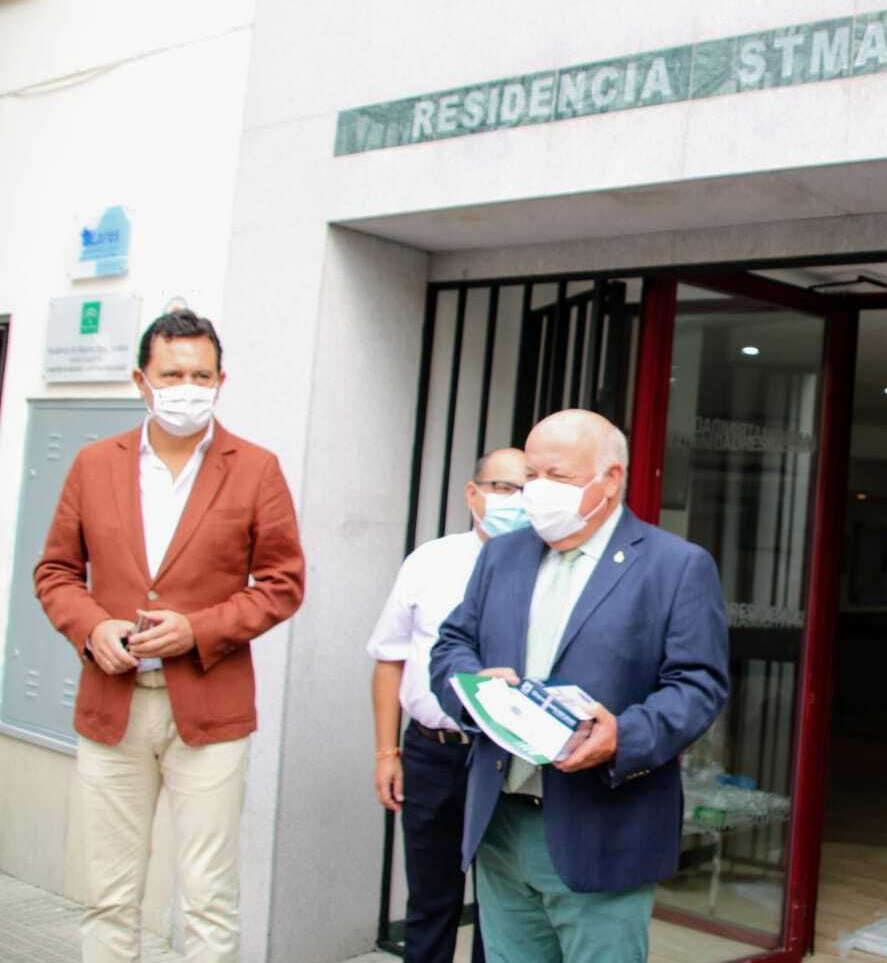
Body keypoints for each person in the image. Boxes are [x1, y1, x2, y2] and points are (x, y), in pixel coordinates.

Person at [34, 310, 306, 963]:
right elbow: (56, 572)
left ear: (221, 379)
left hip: (210, 711)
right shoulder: (94, 465)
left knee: (208, 896)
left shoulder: (256, 468)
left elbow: (283, 582)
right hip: (112, 708)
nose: (188, 386)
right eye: (173, 374)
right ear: (141, 380)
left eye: (201, 375)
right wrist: (91, 625)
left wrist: (199, 630)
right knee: (109, 893)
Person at [429, 408, 730, 963]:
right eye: (531, 477)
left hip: (600, 830)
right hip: (500, 825)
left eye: (557, 477)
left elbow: (698, 686)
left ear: (610, 479)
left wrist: (624, 735)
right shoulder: (503, 554)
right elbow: (451, 645)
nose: (537, 492)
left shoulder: (676, 566)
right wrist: (471, 689)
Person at [367, 447, 531, 963]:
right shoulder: (429, 560)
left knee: (501, 904)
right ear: (473, 493)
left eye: (527, 489)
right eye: (503, 488)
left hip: (504, 758)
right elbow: (389, 659)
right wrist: (385, 753)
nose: (515, 500)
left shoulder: (542, 568)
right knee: (431, 899)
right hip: (432, 751)